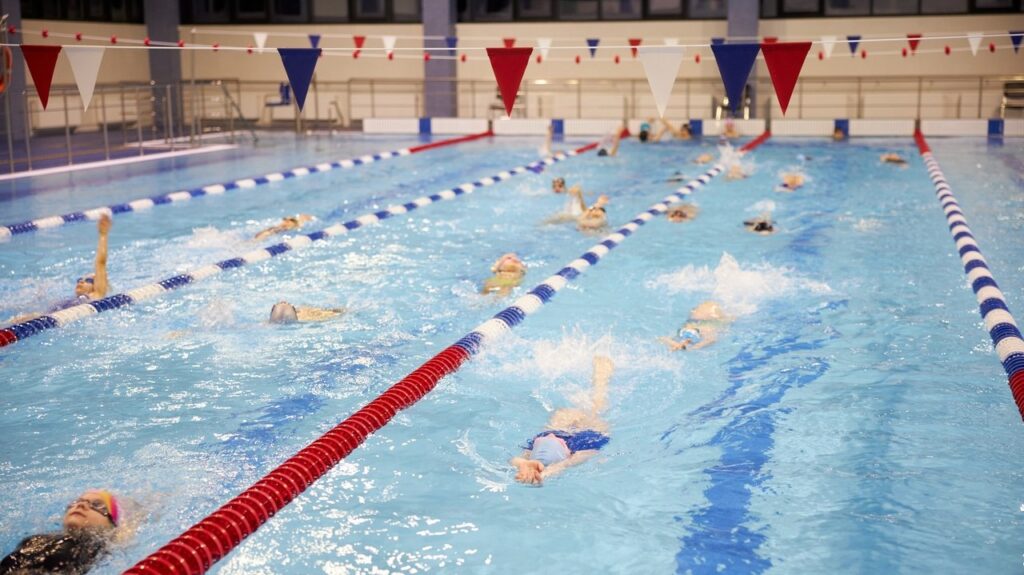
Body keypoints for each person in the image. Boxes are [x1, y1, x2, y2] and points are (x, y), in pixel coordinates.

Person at [510, 356, 613, 485]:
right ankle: (601, 377)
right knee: (594, 408)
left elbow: (560, 465)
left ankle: (600, 378)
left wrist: (527, 466)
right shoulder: (583, 450)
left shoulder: (537, 453)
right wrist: (538, 471)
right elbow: (561, 465)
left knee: (592, 409)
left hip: (556, 439)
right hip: (559, 439)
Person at [1, 490, 120, 575]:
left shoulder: (96, 547)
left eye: (96, 505)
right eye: (77, 501)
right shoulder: (38, 539)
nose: (81, 504)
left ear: (111, 525)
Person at [659, 301, 732, 351]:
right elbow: (662, 338)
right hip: (701, 320)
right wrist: (677, 345)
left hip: (709, 320)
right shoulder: (689, 326)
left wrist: (691, 348)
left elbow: (711, 340)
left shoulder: (707, 328)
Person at [269, 301, 344, 324]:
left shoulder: (266, 325)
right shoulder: (310, 316)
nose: (284, 300)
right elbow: (340, 312)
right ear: (295, 310)